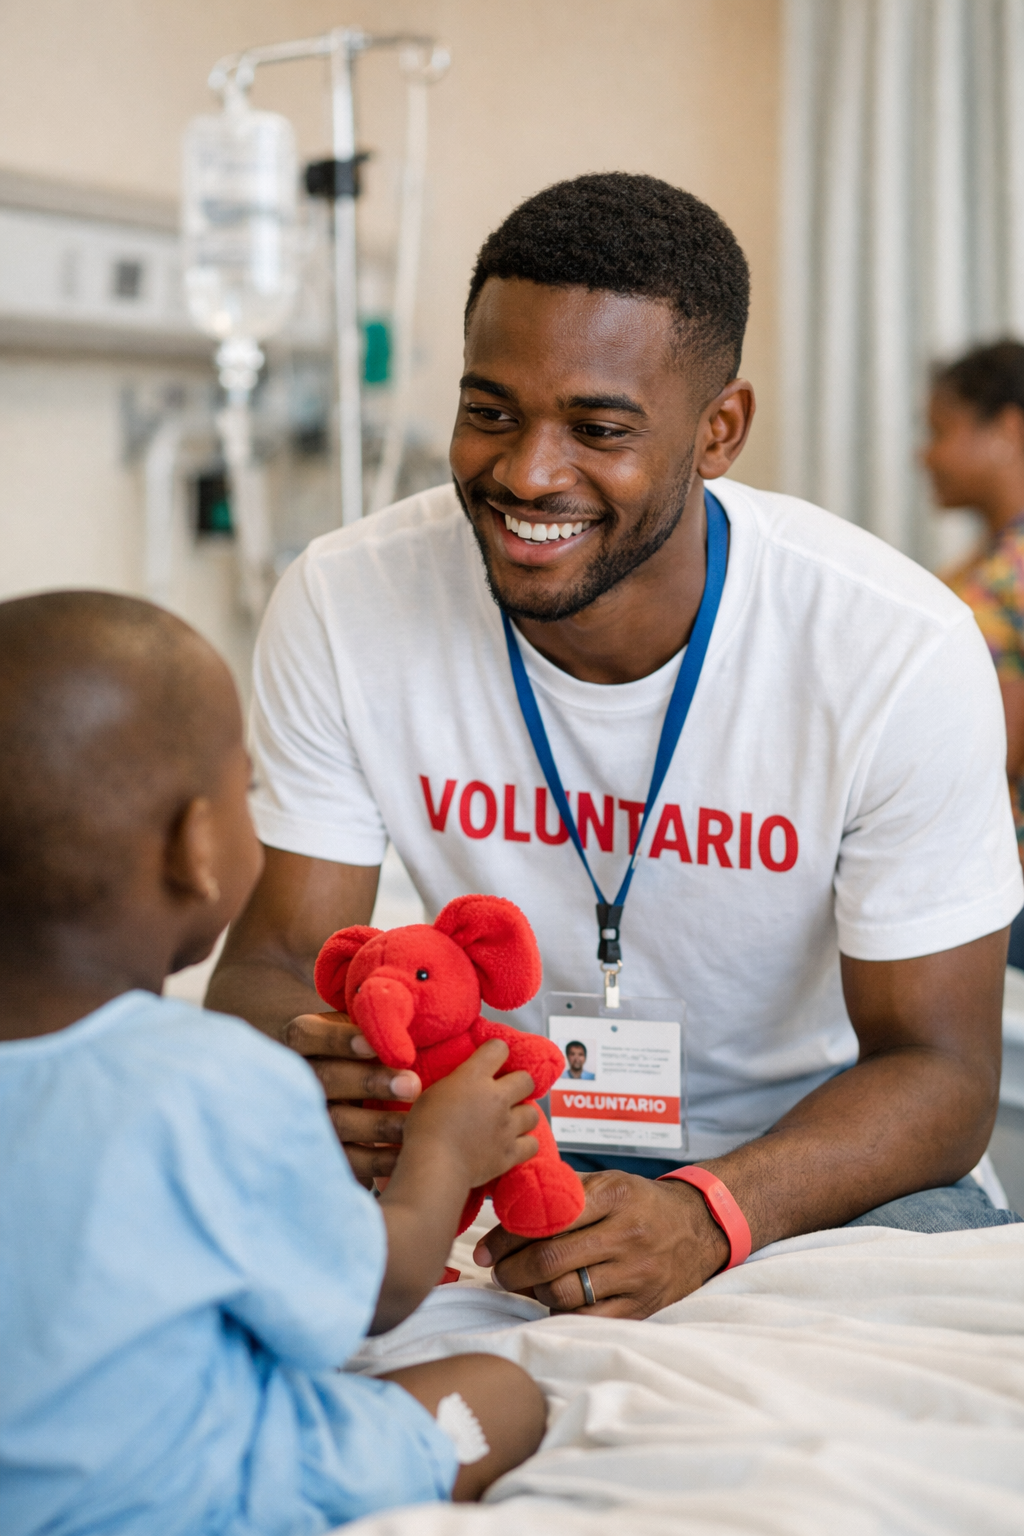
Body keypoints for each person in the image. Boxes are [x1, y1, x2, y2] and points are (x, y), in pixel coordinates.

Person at [208, 173, 1023, 1324]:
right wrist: (316, 1070)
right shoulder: (348, 602)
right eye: (490, 410)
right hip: (485, 1151)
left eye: (596, 429)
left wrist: (708, 1211)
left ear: (718, 430)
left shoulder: (892, 648)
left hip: (806, 1172)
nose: (527, 473)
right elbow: (273, 958)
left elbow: (941, 1076)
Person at [0, 592, 546, 1536]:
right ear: (197, 845)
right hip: (180, 1496)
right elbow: (368, 1299)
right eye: (246, 791)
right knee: (500, 1397)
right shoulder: (212, 1079)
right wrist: (446, 1153)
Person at [923, 338, 1024, 969]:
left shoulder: (1010, 573)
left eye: (941, 430)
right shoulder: (991, 564)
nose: (925, 454)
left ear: (1009, 428)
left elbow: (996, 747)